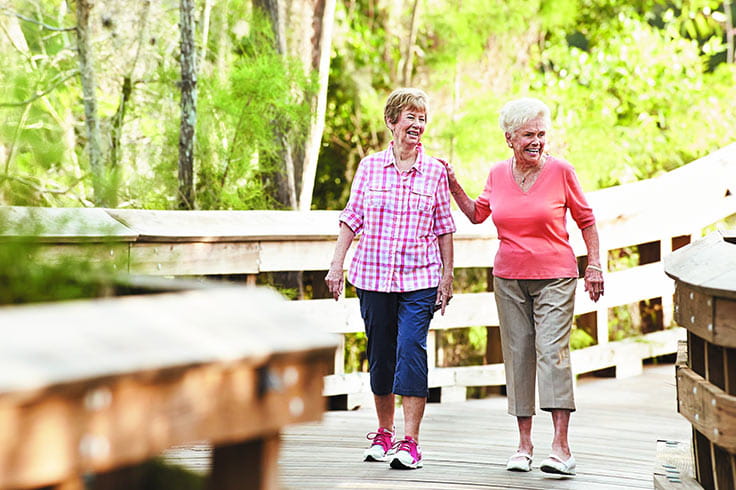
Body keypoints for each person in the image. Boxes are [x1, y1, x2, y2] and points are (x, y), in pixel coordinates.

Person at [442, 97, 604, 476]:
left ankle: (562, 448)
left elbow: (587, 221)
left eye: (541, 134)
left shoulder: (562, 171)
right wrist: (452, 183)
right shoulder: (498, 174)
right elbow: (477, 214)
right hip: (509, 277)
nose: (537, 141)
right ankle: (523, 445)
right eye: (528, 134)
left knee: (552, 352)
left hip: (556, 275)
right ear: (509, 139)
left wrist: (594, 264)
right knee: (517, 356)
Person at [325, 87, 455, 470]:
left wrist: (447, 276)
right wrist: (337, 264)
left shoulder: (435, 172)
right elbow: (352, 217)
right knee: (381, 356)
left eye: (422, 118)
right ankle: (384, 433)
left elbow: (445, 227)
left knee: (410, 350)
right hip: (373, 278)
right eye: (410, 117)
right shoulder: (369, 167)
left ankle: (410, 441)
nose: (417, 125)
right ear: (392, 122)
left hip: (419, 279)